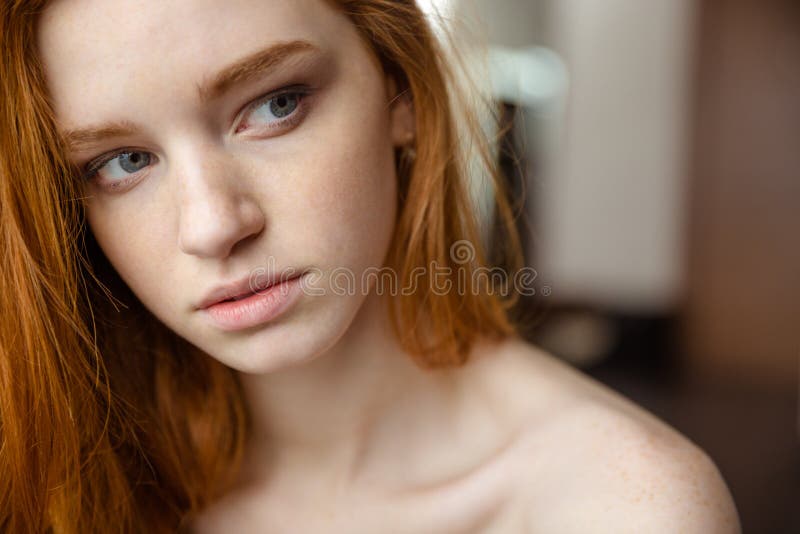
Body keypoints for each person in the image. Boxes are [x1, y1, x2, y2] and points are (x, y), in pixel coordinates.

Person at [0, 0, 740, 532]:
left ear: (402, 91)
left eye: (275, 104)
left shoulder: (624, 507)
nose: (213, 225)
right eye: (122, 162)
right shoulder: (66, 478)